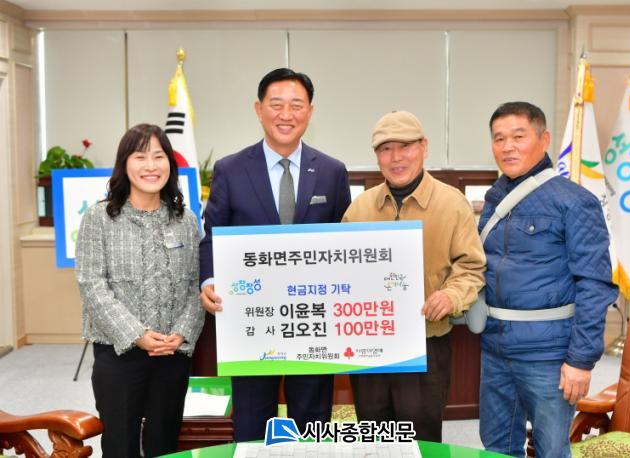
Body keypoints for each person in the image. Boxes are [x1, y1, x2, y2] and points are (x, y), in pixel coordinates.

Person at [198, 68, 352, 441]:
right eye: (276, 104)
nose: (286, 115)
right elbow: (212, 237)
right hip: (251, 320)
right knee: (252, 422)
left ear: (310, 112)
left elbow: (345, 243)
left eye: (296, 105)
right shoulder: (230, 170)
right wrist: (209, 280)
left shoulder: (332, 172)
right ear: (259, 109)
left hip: (313, 320)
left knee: (312, 424)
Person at [478, 102, 619, 457]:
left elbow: (594, 285)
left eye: (518, 136)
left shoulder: (575, 202)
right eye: (499, 139)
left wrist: (581, 361)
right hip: (495, 349)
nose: (507, 147)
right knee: (496, 447)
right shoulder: (495, 199)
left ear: (544, 140)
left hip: (549, 355)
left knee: (551, 450)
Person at [342, 110, 486, 442]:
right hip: (370, 344)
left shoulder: (452, 204)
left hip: (426, 342)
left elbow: (471, 266)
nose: (396, 157)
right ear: (376, 156)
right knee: (373, 436)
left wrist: (451, 296)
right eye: (385, 149)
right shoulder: (359, 209)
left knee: (420, 438)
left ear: (424, 146)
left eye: (405, 146)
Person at [75, 123, 205, 457]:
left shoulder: (186, 220)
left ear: (170, 164)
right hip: (119, 354)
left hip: (172, 353)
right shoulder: (99, 218)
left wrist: (182, 332)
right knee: (120, 444)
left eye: (159, 157)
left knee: (165, 443)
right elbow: (92, 284)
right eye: (140, 156)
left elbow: (197, 285)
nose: (151, 166)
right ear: (124, 164)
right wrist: (137, 335)